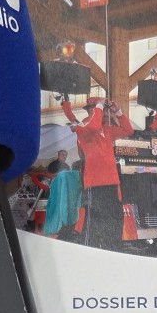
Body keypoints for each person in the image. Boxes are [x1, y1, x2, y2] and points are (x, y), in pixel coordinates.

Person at [61, 96, 134, 251]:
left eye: (106, 110)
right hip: (94, 184)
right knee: (93, 221)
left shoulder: (106, 129)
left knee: (114, 218)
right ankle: (91, 252)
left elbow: (128, 130)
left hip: (111, 183)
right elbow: (93, 126)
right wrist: (100, 106)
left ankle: (112, 250)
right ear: (92, 110)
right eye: (102, 109)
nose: (106, 113)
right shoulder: (83, 126)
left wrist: (118, 112)